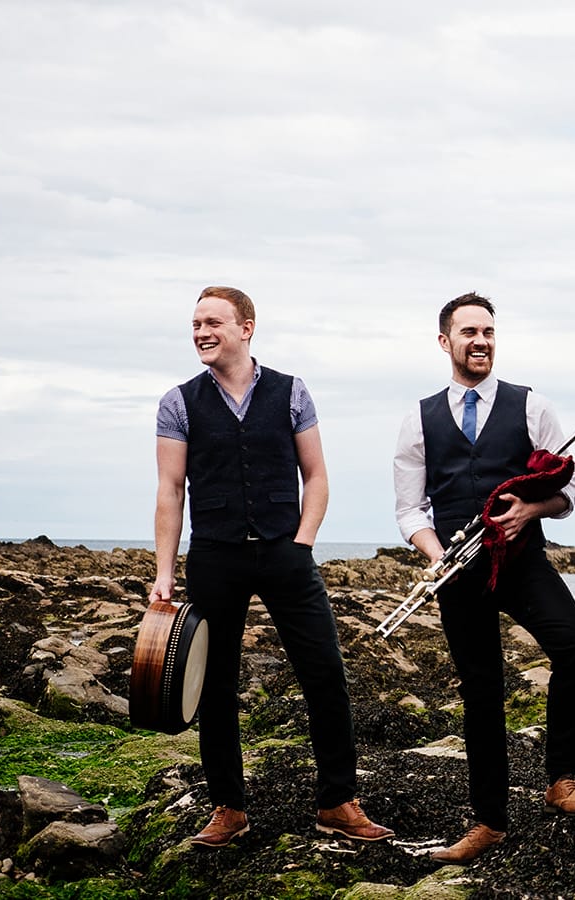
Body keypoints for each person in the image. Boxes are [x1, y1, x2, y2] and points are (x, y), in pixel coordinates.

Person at [150, 286, 392, 848]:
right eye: (195, 325)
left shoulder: (290, 391)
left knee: (325, 673)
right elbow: (169, 490)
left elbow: (318, 475)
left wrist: (303, 543)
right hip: (214, 556)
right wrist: (164, 571)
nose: (201, 333)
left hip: (286, 552)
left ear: (246, 327)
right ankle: (228, 808)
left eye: (213, 322)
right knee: (214, 683)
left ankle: (337, 801)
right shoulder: (178, 401)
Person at [392, 293, 575, 864]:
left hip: (523, 562)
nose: (480, 341)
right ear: (445, 342)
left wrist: (531, 511)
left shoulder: (531, 405)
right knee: (481, 692)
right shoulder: (419, 416)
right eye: (468, 333)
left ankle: (561, 779)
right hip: (457, 571)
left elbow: (572, 489)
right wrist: (434, 554)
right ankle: (489, 822)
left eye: (488, 332)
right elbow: (411, 510)